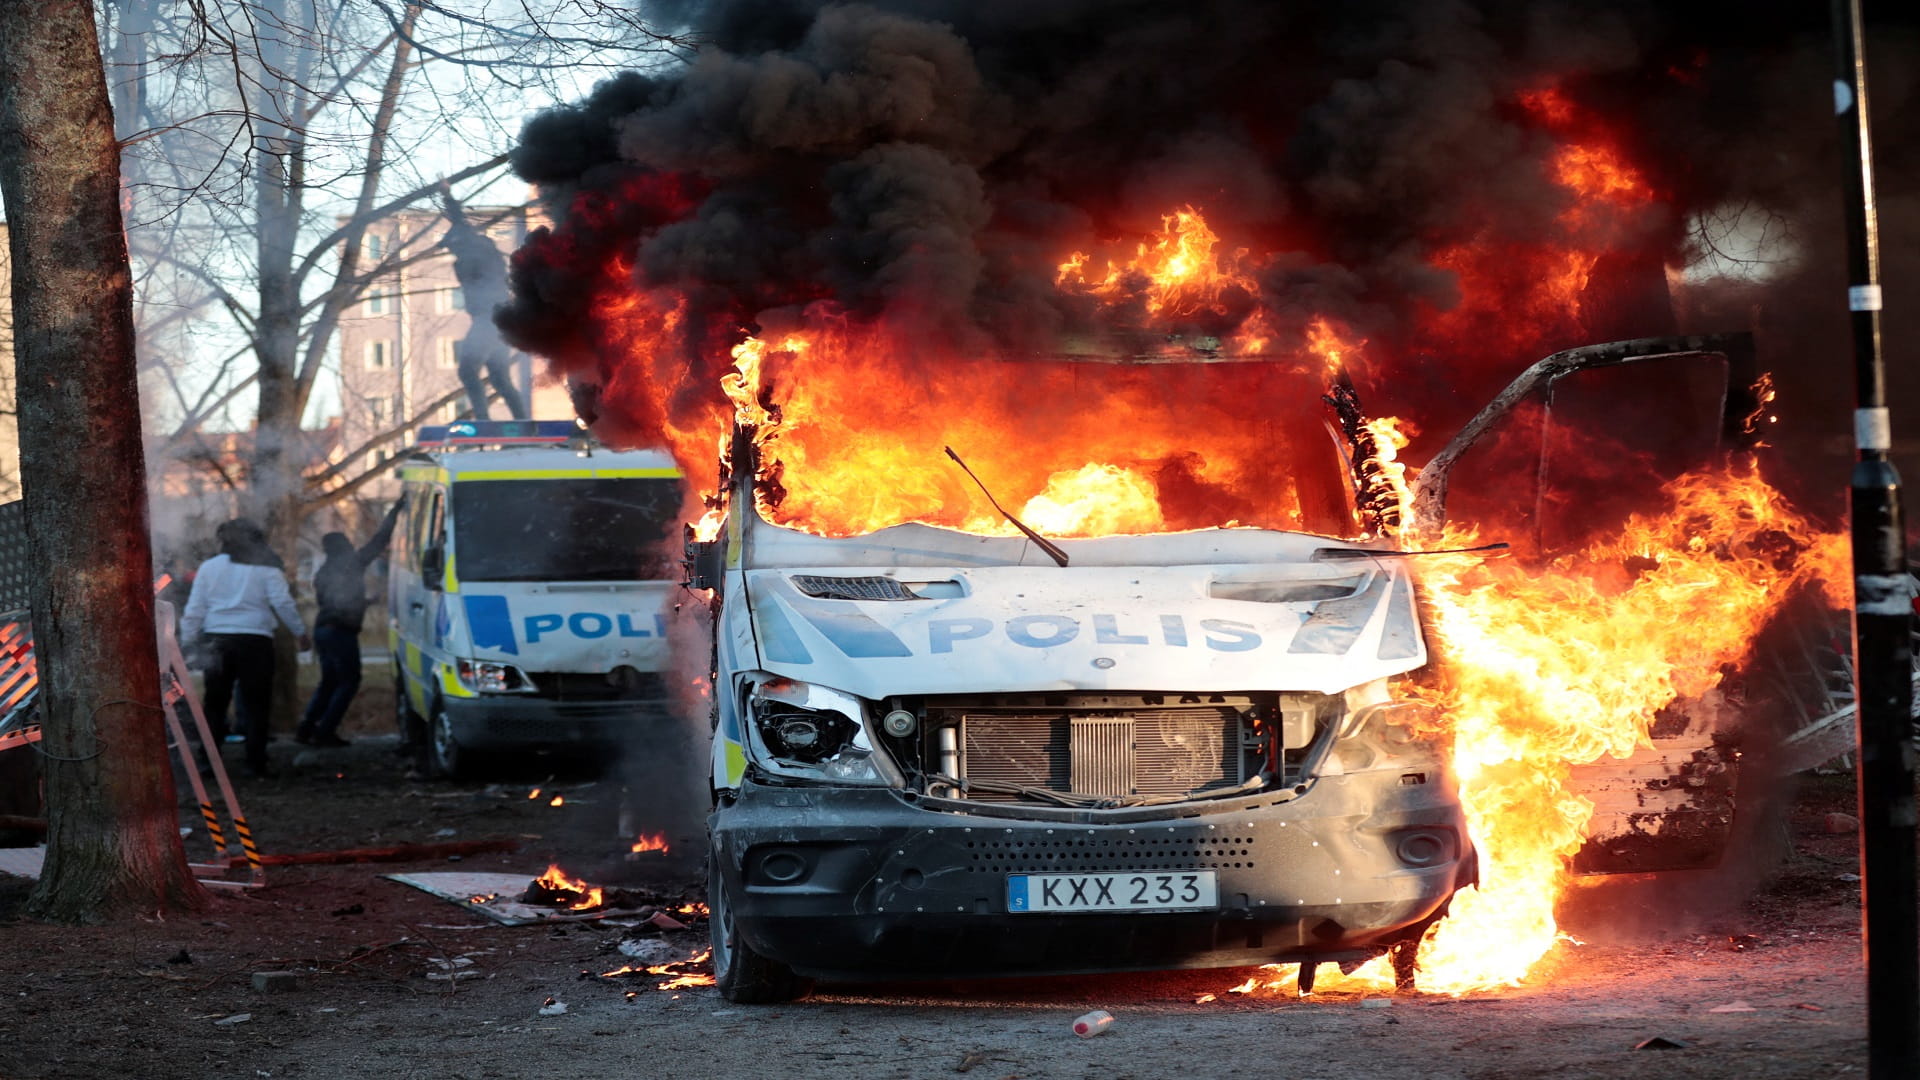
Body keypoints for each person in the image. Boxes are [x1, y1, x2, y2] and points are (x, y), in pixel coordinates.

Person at [181, 519, 310, 778]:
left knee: (215, 703)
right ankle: (255, 761)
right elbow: (282, 602)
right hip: (255, 640)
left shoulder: (209, 568)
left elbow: (195, 608)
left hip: (217, 639)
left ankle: (208, 761)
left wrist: (187, 639)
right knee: (257, 704)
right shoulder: (266, 568)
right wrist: (300, 632)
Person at [297, 498, 405, 747]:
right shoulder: (352, 564)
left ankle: (306, 728)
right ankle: (325, 731)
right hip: (340, 634)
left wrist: (365, 602)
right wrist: (396, 510)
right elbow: (379, 540)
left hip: (323, 630)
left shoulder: (324, 572)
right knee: (349, 682)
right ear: (343, 547)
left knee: (329, 682)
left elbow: (334, 603)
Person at [440, 186, 529, 421]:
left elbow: (462, 225)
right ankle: (522, 421)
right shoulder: (468, 259)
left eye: (453, 247)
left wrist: (448, 197)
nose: (453, 251)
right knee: (500, 378)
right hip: (497, 323)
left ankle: (482, 420)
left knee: (468, 371)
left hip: (488, 320)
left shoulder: (480, 253)